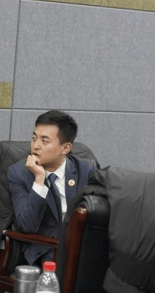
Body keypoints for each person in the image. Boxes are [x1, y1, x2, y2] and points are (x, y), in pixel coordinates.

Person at [8, 110, 98, 266]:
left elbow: (97, 216)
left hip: (82, 249)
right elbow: (27, 225)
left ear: (65, 148)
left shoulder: (86, 169)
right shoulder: (19, 173)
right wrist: (39, 180)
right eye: (34, 138)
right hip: (44, 252)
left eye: (44, 141)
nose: (35, 146)